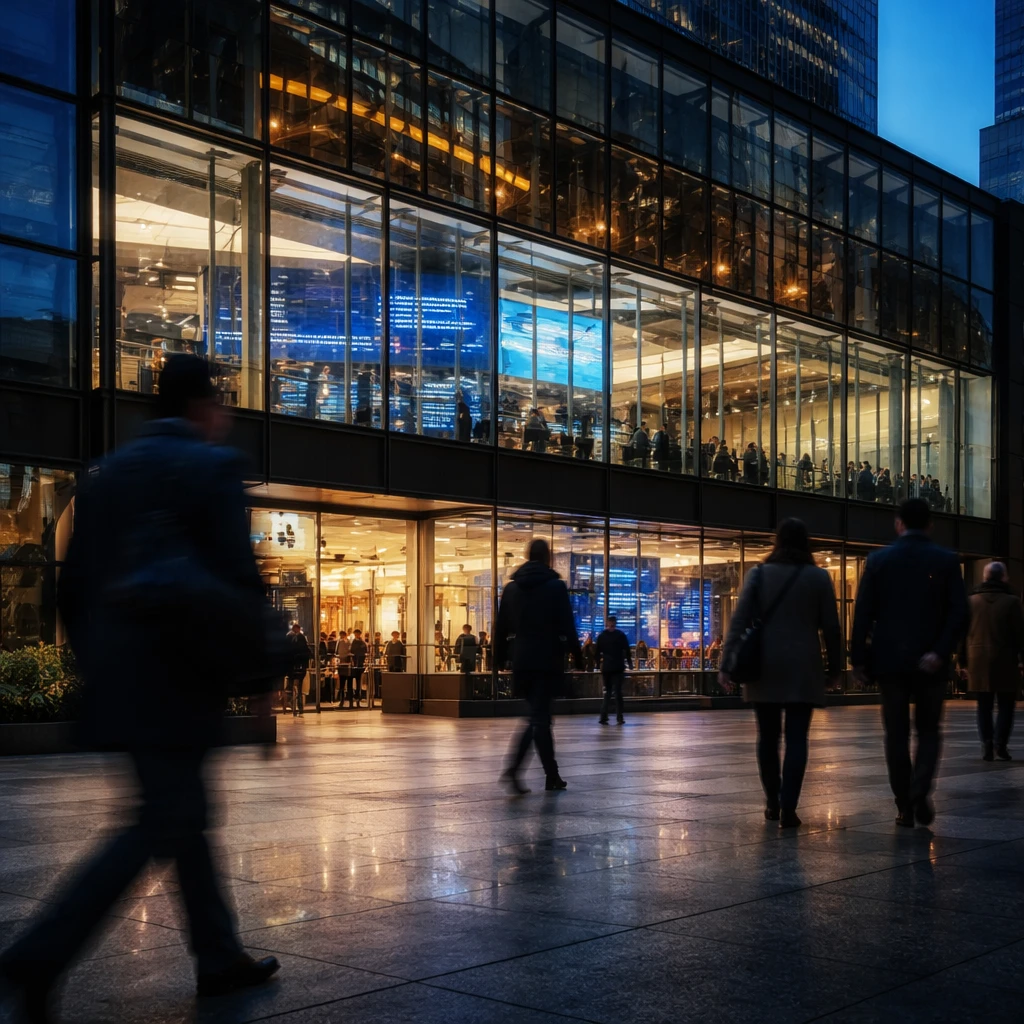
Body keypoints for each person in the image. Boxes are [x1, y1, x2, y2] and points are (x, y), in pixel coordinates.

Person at [0, 356, 282, 1022]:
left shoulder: (105, 476)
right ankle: (36, 958)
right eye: (220, 403)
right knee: (163, 819)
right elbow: (241, 585)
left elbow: (71, 587)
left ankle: (218, 957)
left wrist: (99, 662)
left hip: (121, 678)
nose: (224, 416)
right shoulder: (212, 468)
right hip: (180, 681)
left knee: (182, 815)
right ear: (201, 407)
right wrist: (263, 678)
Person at [851, 498, 969, 828]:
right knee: (929, 731)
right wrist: (941, 651)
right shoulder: (947, 561)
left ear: (898, 524)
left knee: (896, 733)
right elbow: (959, 613)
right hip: (930, 662)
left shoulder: (878, 561)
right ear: (930, 525)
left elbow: (862, 614)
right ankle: (920, 791)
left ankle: (904, 803)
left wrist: (858, 659)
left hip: (890, 662)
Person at [720, 519, 842, 828]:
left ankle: (772, 801)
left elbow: (739, 622)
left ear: (777, 542)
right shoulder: (819, 577)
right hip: (804, 665)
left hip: (764, 664)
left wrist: (726, 664)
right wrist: (835, 668)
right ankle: (789, 808)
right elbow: (831, 627)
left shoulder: (759, 575)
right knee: (798, 737)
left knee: (768, 736)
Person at [495, 537, 580, 794]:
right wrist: (579, 656)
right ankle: (517, 769)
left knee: (538, 717)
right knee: (539, 719)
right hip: (547, 658)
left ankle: (551, 775)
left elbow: (501, 628)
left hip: (522, 660)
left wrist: (497, 660)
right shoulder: (555, 587)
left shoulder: (511, 589)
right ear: (548, 557)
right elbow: (567, 624)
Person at [959, 562, 1024, 761]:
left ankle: (987, 743)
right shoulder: (1012, 602)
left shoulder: (971, 601)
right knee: (1006, 705)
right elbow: (1020, 635)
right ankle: (1000, 744)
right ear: (1003, 577)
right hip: (1005, 659)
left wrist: (961, 662)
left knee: (983, 705)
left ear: (985, 578)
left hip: (977, 660)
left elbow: (962, 634)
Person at [595, 615, 632, 725]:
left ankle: (603, 716)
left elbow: (597, 652)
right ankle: (619, 717)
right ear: (615, 623)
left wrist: (597, 664)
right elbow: (627, 650)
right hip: (618, 667)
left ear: (607, 623)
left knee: (607, 692)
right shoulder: (620, 635)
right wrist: (630, 663)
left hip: (606, 667)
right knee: (618, 694)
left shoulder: (601, 636)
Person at [284, 622, 310, 716]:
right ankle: (299, 708)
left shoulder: (288, 638)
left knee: (291, 685)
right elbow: (306, 652)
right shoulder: (302, 638)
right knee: (299, 688)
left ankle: (291, 702)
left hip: (291, 667)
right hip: (300, 667)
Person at [349, 629, 368, 707]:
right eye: (356, 633)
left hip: (360, 663)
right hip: (354, 662)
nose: (357, 635)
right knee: (354, 679)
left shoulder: (362, 642)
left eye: (358, 633)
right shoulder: (353, 642)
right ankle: (354, 694)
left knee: (359, 679)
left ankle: (358, 694)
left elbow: (364, 651)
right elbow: (351, 651)